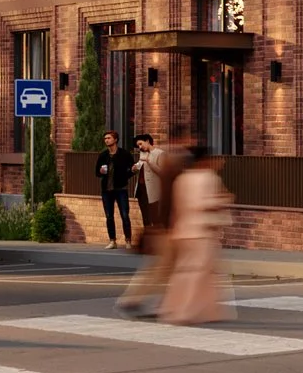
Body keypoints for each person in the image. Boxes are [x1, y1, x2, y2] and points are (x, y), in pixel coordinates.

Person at [158, 145, 233, 326]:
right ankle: (187, 311)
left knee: (187, 271)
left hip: (183, 229)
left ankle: (183, 308)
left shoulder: (182, 179)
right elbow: (204, 203)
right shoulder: (208, 177)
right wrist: (224, 199)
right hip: (202, 230)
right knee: (199, 272)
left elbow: (177, 207)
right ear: (205, 160)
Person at [116, 135, 183, 319]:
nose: (140, 148)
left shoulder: (162, 156)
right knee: (162, 266)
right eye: (137, 146)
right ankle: (136, 301)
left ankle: (142, 301)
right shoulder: (150, 157)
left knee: (163, 266)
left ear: (148, 142)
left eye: (140, 144)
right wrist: (137, 167)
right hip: (164, 221)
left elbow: (162, 177)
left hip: (162, 210)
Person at [93, 131, 136, 249]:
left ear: (115, 139)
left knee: (124, 214)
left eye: (109, 138)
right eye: (105, 138)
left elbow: (131, 170)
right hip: (107, 189)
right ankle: (112, 240)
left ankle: (128, 240)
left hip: (121, 188)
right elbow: (97, 172)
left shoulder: (124, 154)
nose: (106, 140)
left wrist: (129, 173)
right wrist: (101, 172)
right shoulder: (103, 155)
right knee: (109, 215)